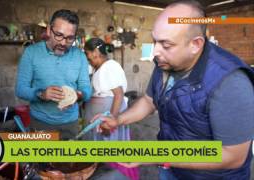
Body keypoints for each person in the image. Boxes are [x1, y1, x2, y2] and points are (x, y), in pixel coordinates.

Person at [93, 0, 254, 179]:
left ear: (195, 44)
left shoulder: (230, 82)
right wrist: (118, 119)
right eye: (155, 41)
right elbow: (149, 101)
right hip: (171, 169)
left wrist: (154, 154)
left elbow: (233, 156)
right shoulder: (165, 62)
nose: (155, 52)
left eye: (166, 45)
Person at [15, 9, 91, 140]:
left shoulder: (80, 56)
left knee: (67, 160)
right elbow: (20, 89)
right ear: (49, 30)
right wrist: (41, 94)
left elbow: (87, 90)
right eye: (59, 35)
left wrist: (78, 95)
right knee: (43, 160)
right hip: (40, 123)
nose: (63, 42)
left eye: (69, 38)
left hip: (70, 124)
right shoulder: (31, 53)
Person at [84, 38, 139, 180]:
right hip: (102, 117)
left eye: (88, 54)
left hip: (110, 116)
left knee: (111, 151)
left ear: (96, 52)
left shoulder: (110, 66)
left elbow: (118, 95)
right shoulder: (100, 68)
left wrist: (112, 120)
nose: (87, 58)